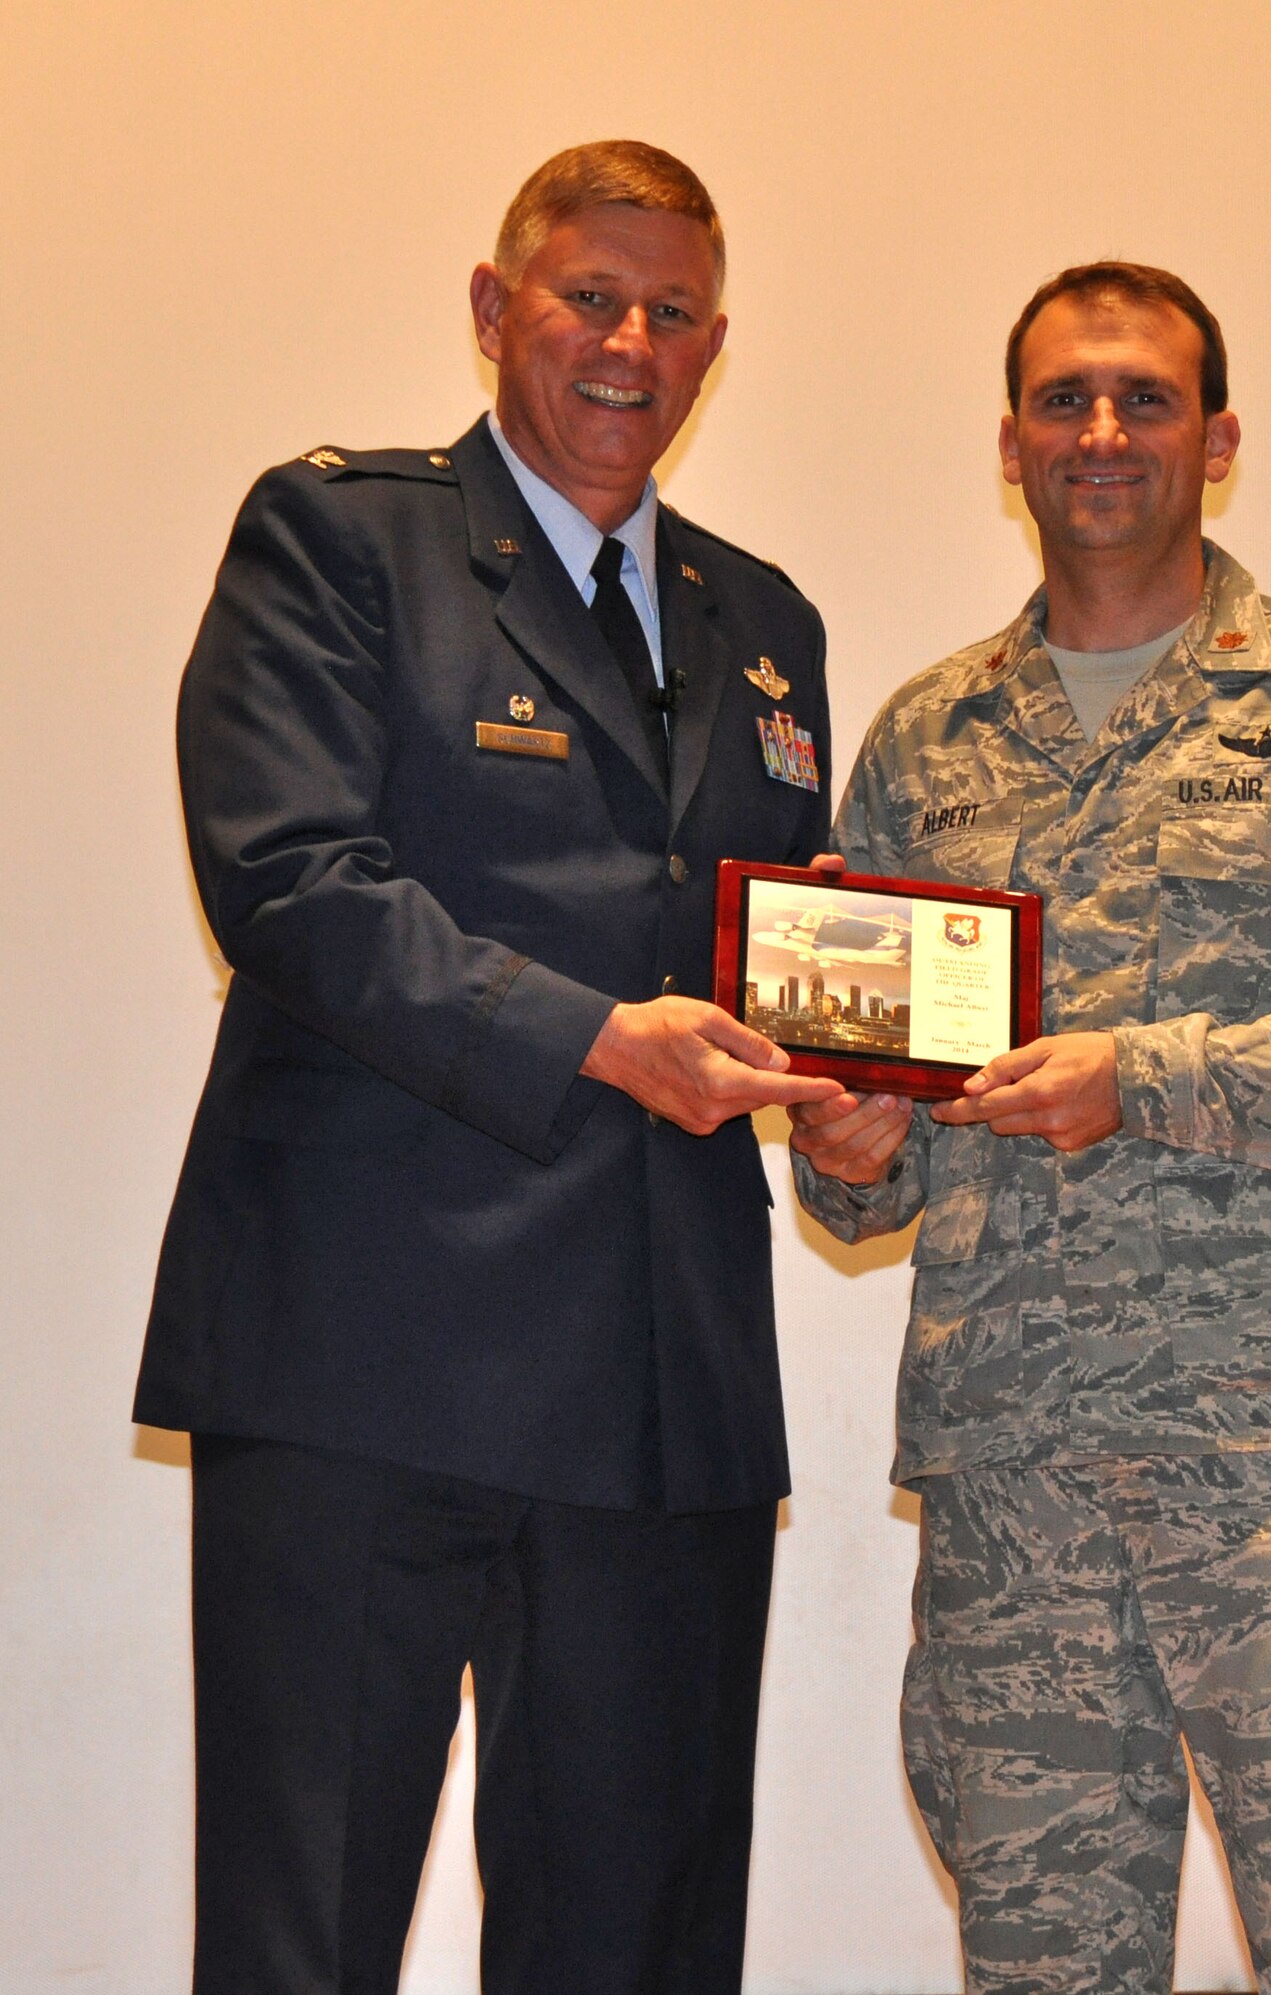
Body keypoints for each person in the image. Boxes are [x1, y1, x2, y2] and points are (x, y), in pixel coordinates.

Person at [135, 141, 843, 1994]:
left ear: (714, 348)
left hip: (659, 1388)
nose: (630, 340)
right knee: (309, 1931)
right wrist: (601, 1038)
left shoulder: (766, 624)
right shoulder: (343, 538)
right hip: (369, 1353)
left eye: (673, 312)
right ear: (490, 310)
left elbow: (753, 943)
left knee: (638, 1942)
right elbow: (287, 879)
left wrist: (840, 1056)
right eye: (589, 297)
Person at [789, 262, 1271, 1995]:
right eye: (1064, 401)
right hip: (1011, 1464)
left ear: (1219, 439)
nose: (1102, 434)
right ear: (1010, 443)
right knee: (1043, 1959)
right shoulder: (924, 742)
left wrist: (1150, 1073)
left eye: (1143, 398)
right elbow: (876, 1144)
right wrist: (845, 1150)